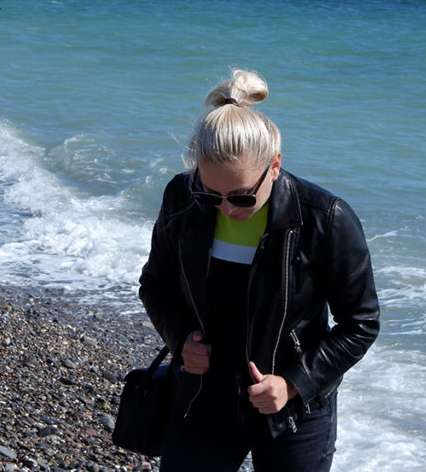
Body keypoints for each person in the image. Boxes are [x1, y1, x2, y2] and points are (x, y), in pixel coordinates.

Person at [139, 69, 380, 471]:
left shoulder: (326, 219)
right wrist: (181, 340)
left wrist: (293, 383)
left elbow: (361, 322)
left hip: (293, 409)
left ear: (274, 166)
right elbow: (155, 284)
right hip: (203, 395)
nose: (225, 208)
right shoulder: (181, 197)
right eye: (208, 192)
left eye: (241, 196)